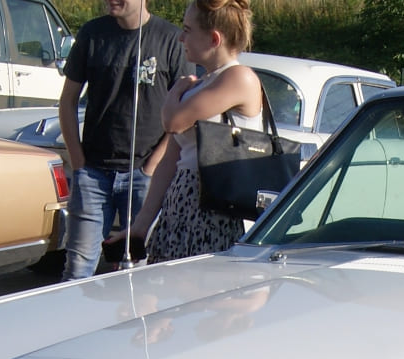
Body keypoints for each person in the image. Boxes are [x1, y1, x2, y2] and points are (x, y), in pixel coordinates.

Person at [59, 0, 188, 280]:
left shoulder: (169, 39)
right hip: (93, 173)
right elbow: (67, 101)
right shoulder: (92, 34)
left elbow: (182, 115)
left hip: (144, 175)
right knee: (77, 270)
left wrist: (153, 165)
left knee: (137, 274)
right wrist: (78, 162)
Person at [129, 0, 261, 264]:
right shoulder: (204, 82)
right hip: (181, 202)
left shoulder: (238, 77)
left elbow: (173, 122)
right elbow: (171, 159)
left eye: (188, 30)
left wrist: (176, 91)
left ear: (214, 39)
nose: (181, 37)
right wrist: (141, 226)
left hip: (213, 207)